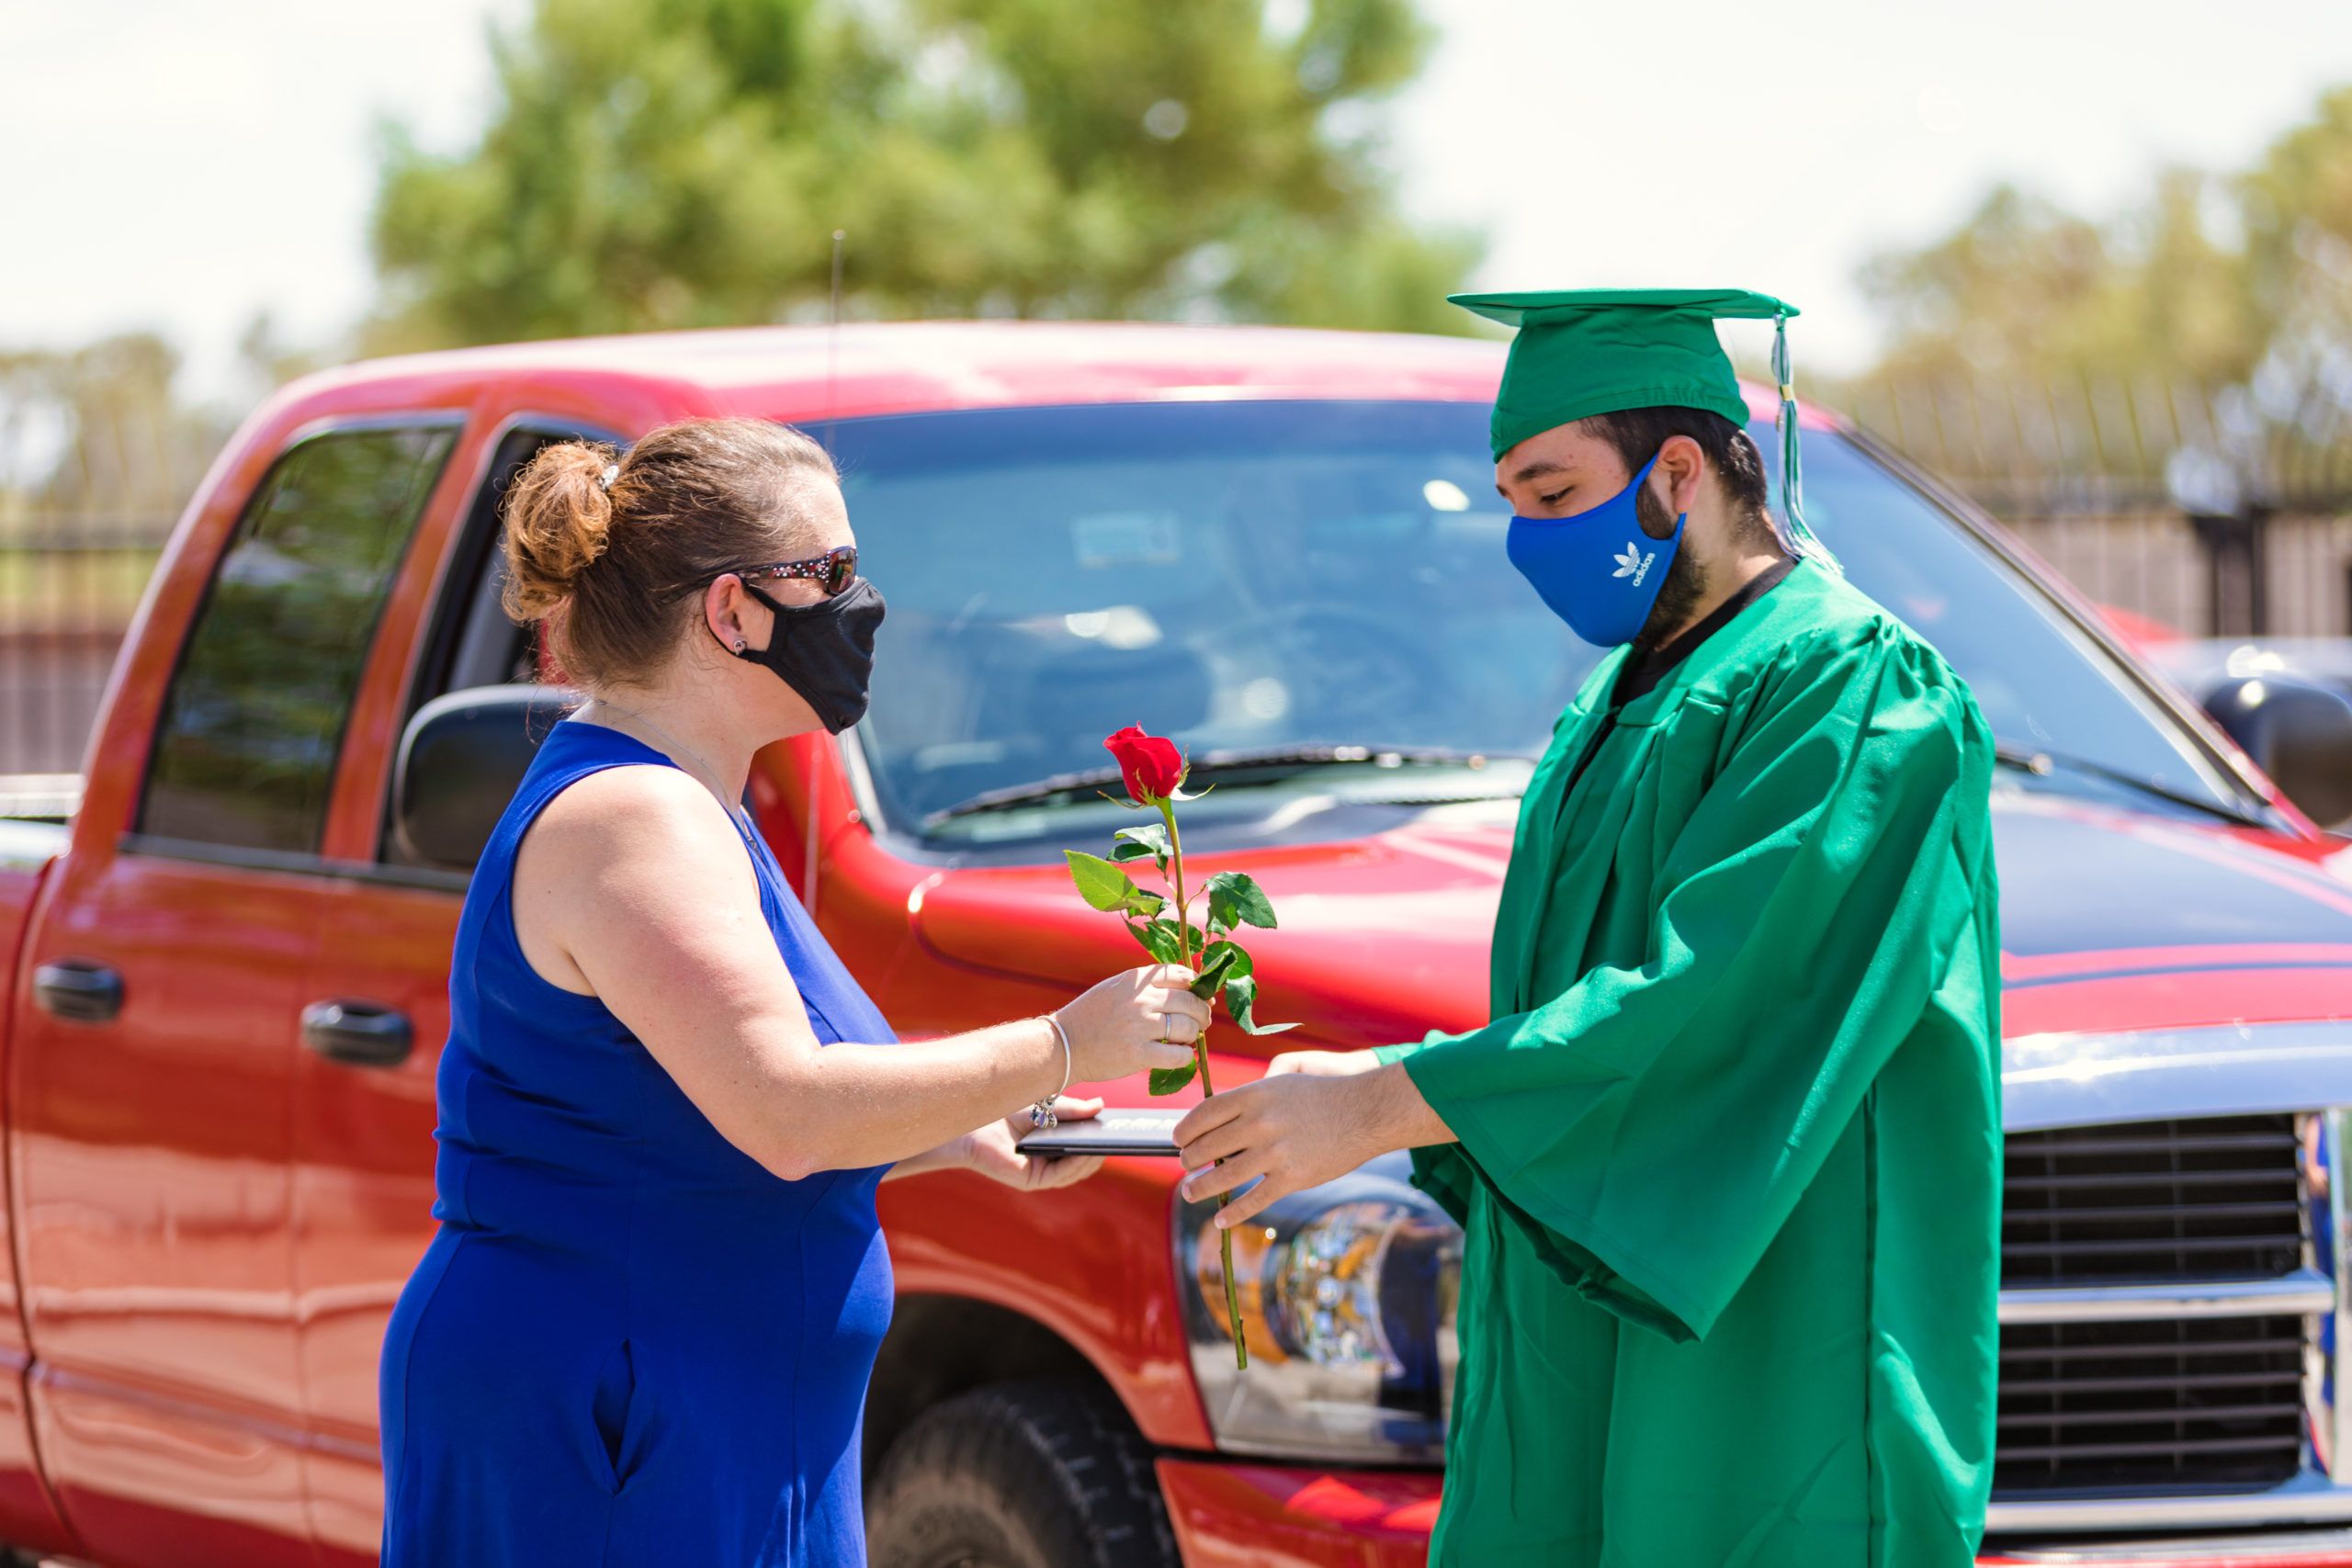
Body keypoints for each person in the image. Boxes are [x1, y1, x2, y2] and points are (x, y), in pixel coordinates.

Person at [1173, 290, 2002, 1566]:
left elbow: (1717, 992)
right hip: (1582, 1316)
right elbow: (1564, 1003)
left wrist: (1392, 1098)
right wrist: (1392, 1101)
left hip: (1779, 1317)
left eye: (1553, 492)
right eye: (1511, 495)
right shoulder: (1616, 703)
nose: (1526, 537)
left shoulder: (1851, 684)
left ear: (1679, 471)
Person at [379, 417, 1208, 1567]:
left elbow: (680, 1131)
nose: (864, 605)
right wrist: (1065, 1043)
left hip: (697, 1401)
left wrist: (962, 1133)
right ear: (730, 611)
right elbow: (784, 1110)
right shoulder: (635, 817)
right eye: (833, 573)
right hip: (613, 1418)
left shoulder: (685, 799)